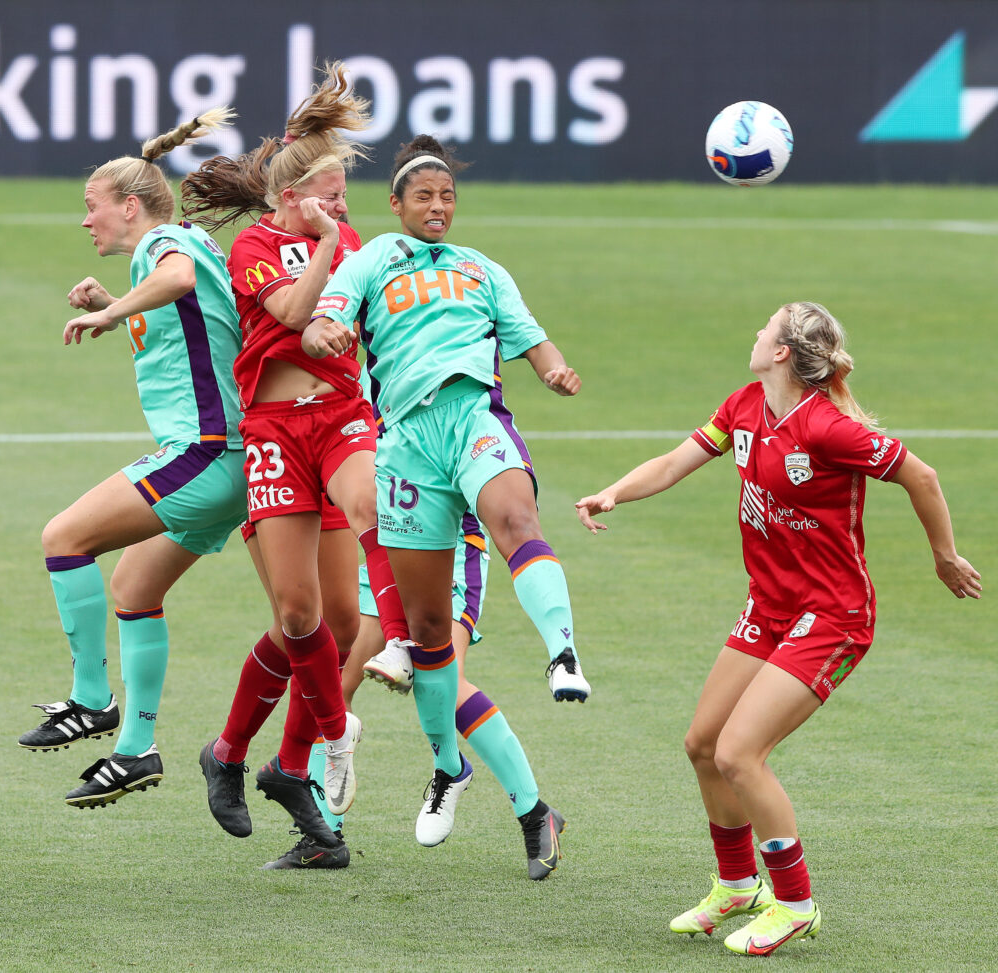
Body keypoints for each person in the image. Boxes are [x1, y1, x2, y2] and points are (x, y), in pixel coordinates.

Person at [575, 302, 981, 956]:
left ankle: (793, 901)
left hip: (834, 614)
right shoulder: (743, 405)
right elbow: (678, 460)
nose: (756, 332)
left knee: (740, 752)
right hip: (769, 606)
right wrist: (615, 491)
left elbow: (921, 474)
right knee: (704, 743)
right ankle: (737, 886)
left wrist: (943, 555)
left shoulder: (826, 428)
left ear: (784, 351)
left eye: (767, 325)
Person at [302, 135, 588, 848]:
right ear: (395, 204)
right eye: (423, 195)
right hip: (399, 459)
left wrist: (553, 370)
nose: (437, 206)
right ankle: (341, 816)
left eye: (448, 196)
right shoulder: (370, 261)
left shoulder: (482, 269)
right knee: (383, 661)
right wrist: (327, 331)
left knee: (508, 534)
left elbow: (531, 337)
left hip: (467, 433)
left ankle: (559, 663)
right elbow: (323, 319)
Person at [179, 63, 411, 864]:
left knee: (348, 613)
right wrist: (322, 246)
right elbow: (290, 310)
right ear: (290, 198)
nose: (343, 205)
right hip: (275, 431)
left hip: (343, 417)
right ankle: (249, 751)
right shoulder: (256, 243)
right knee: (300, 618)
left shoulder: (342, 239)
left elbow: (353, 315)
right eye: (332, 192)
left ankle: (307, 748)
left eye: (343, 193)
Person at [18, 110, 250, 809]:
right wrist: (117, 300)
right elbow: (192, 322)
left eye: (92, 208)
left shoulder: (167, 242)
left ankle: (92, 700)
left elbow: (178, 279)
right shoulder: (170, 250)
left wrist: (110, 315)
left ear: (128, 205)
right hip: (231, 463)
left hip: (207, 452)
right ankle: (137, 750)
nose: (86, 222)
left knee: (63, 538)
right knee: (134, 588)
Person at [321, 511, 565, 879]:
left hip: (448, 544)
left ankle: (533, 812)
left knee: (447, 684)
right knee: (334, 688)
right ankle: (324, 838)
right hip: (386, 551)